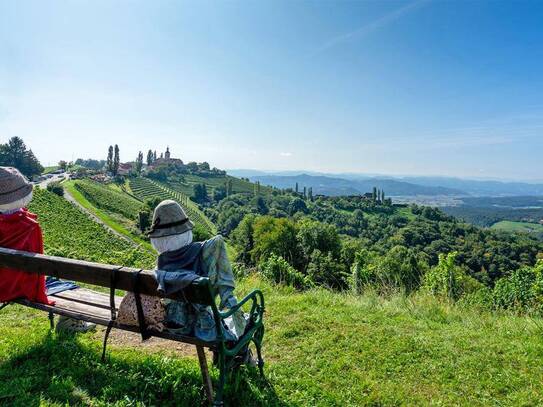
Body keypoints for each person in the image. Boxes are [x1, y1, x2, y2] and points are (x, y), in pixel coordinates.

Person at [0, 166, 94, 332]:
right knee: (67, 284)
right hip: (16, 286)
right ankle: (70, 323)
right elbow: (37, 266)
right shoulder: (29, 226)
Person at [144, 200, 245, 341]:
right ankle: (241, 356)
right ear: (186, 232)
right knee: (245, 323)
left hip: (171, 323)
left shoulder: (160, 267)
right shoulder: (200, 252)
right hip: (197, 325)